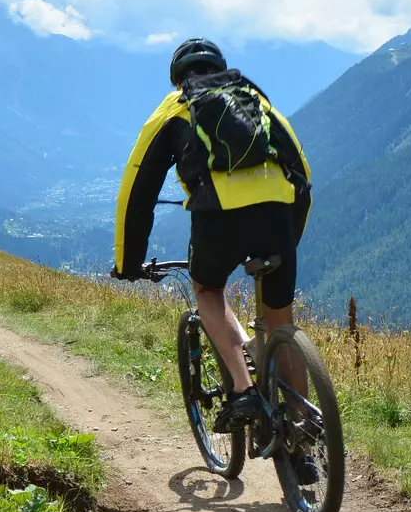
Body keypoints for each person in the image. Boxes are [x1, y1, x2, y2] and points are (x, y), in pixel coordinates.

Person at [113, 38, 311, 430]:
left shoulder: (175, 108)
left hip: (219, 217)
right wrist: (290, 238)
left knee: (207, 290)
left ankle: (244, 391)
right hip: (277, 212)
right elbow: (301, 172)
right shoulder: (252, 96)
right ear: (220, 66)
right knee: (280, 322)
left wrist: (129, 262)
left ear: (178, 78)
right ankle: (304, 430)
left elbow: (137, 190)